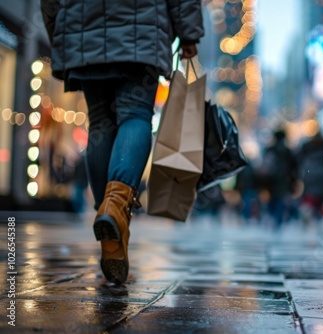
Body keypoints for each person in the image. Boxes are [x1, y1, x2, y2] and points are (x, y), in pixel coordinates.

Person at [41, 0, 204, 284]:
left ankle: (110, 217)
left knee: (100, 121)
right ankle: (114, 208)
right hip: (142, 28)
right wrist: (188, 32)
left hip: (82, 25)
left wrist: (59, 27)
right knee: (136, 115)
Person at [259, 129, 298, 230]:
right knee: (281, 200)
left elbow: (264, 166)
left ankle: (272, 217)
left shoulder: (269, 150)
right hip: (284, 180)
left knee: (272, 199)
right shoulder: (288, 151)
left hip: (271, 180)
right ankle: (277, 220)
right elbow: (294, 168)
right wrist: (293, 181)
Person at [297, 133, 323, 224]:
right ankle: (316, 214)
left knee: (310, 195)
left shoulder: (306, 147)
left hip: (310, 174)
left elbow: (298, 160)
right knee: (321, 197)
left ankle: (308, 212)